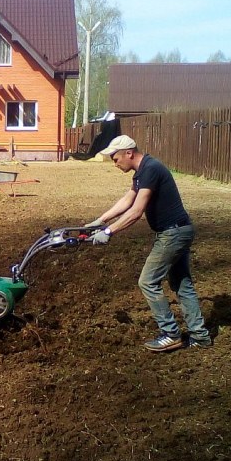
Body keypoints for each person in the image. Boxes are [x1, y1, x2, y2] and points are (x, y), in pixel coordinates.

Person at [86, 135, 211, 352]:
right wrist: (101, 220)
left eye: (115, 159)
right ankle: (200, 336)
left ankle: (171, 334)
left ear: (129, 153)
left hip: (173, 233)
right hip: (178, 229)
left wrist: (109, 231)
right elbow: (128, 199)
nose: (115, 164)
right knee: (182, 284)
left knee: (147, 282)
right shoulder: (143, 171)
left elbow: (136, 211)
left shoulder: (151, 169)